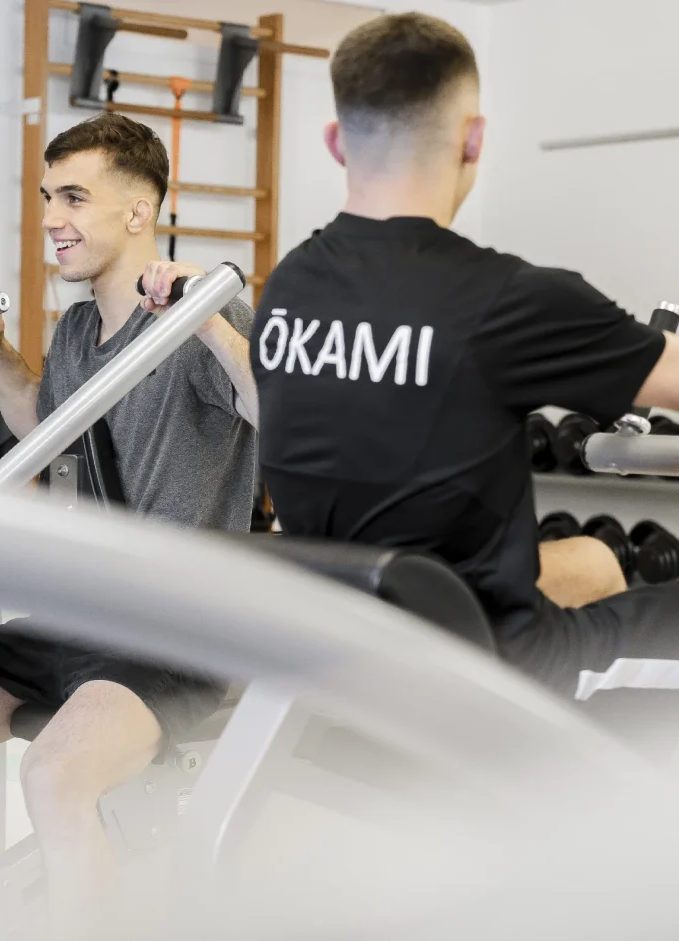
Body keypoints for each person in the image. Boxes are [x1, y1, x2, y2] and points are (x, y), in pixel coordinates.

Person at [0, 113, 257, 935]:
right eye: (46, 196)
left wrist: (207, 313)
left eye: (74, 197)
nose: (51, 217)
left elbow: (277, 413)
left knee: (55, 779)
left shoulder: (198, 322)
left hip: (181, 630)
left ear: (138, 213)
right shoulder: (73, 332)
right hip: (83, 617)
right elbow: (49, 427)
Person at [251, 12, 679, 702]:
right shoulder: (505, 297)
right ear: (474, 137)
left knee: (597, 557)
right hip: (494, 667)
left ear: (336, 142)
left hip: (348, 651)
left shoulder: (289, 286)